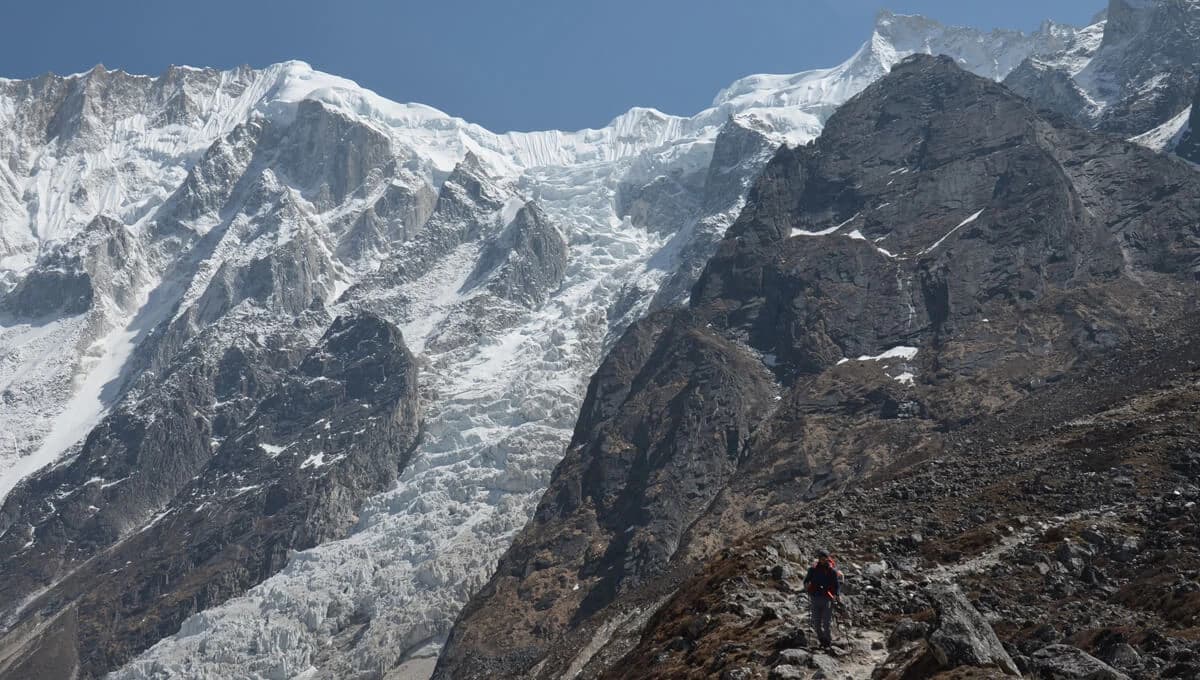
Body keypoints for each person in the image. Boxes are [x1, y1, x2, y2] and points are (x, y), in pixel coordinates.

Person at [803, 549, 843, 648]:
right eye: (821, 558)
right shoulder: (812, 570)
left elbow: (836, 585)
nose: (823, 560)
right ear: (819, 558)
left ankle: (828, 642)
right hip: (815, 597)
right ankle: (822, 640)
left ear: (828, 558)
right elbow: (806, 580)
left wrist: (837, 595)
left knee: (826, 623)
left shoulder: (832, 571)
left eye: (824, 558)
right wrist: (806, 585)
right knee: (816, 624)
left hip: (827, 599)